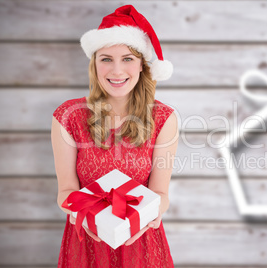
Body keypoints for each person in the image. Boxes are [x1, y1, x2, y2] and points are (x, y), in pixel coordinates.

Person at [51, 5, 178, 267]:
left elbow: (160, 192)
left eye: (128, 59)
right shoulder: (68, 116)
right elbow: (66, 190)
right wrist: (85, 213)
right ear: (94, 64)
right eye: (106, 58)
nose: (117, 71)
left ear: (142, 65)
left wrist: (152, 215)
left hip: (141, 242)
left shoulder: (164, 118)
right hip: (86, 241)